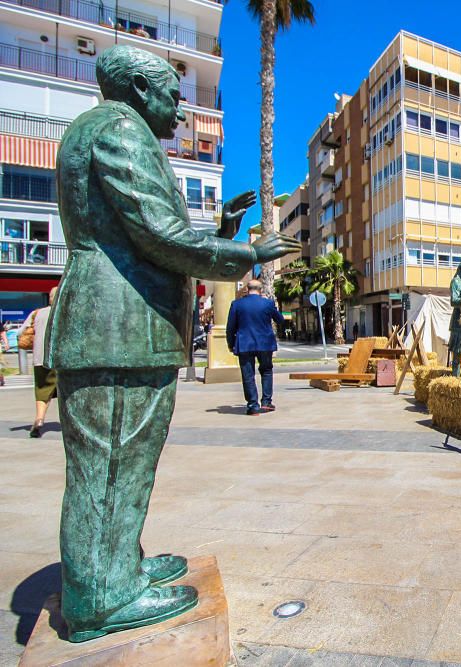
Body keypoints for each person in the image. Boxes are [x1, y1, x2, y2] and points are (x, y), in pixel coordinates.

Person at [48, 45, 300, 642]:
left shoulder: (106, 129)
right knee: (111, 462)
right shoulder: (118, 129)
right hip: (117, 325)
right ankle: (100, 598)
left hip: (122, 323)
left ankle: (118, 568)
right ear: (138, 89)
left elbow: (143, 234)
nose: (180, 110)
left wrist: (222, 231)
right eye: (172, 96)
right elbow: (157, 235)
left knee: (122, 462)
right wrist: (248, 254)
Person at [227, 279, 285, 415]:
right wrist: (273, 307)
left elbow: (230, 327)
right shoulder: (267, 303)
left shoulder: (237, 304)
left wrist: (231, 343)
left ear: (247, 289)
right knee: (266, 371)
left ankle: (253, 405)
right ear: (261, 290)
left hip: (244, 343)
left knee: (248, 375)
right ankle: (266, 402)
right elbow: (280, 320)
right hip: (265, 343)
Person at [21, 286, 59, 436]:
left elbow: (21, 331)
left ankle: (39, 419)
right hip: (61, 360)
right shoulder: (66, 312)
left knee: (42, 390)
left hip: (40, 358)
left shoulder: (37, 313)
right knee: (67, 391)